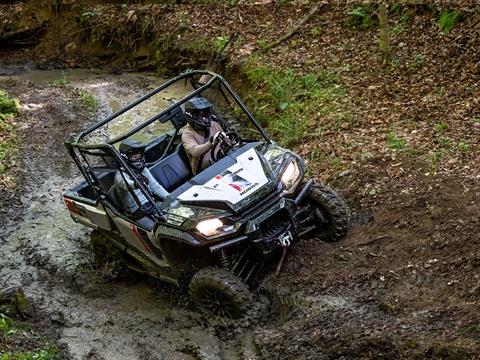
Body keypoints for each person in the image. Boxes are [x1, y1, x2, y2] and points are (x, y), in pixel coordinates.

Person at [115, 139, 169, 219]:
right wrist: (136, 184)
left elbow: (155, 187)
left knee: (175, 208)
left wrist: (170, 198)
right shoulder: (120, 175)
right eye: (135, 157)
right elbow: (127, 185)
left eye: (140, 156)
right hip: (137, 211)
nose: (138, 159)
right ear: (126, 157)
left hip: (151, 204)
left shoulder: (143, 169)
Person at [181, 96, 226, 175]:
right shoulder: (187, 134)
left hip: (223, 160)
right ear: (191, 116)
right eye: (200, 115)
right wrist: (211, 143)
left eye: (205, 113)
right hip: (205, 172)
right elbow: (195, 151)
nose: (204, 118)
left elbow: (225, 141)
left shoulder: (214, 124)